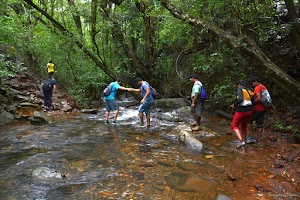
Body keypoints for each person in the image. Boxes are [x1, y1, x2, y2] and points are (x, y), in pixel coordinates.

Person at [231, 80, 253, 149]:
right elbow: (253, 101)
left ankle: (241, 142)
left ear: (239, 85)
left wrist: (234, 105)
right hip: (249, 111)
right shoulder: (249, 91)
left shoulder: (240, 89)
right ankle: (244, 141)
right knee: (244, 126)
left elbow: (240, 99)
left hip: (241, 110)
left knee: (234, 125)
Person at [247, 76, 268, 143]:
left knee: (248, 122)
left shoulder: (257, 87)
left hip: (257, 109)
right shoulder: (263, 87)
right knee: (260, 124)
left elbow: (258, 98)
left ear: (256, 81)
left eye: (252, 83)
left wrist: (252, 103)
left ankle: (251, 137)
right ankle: (258, 139)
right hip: (263, 108)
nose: (252, 85)